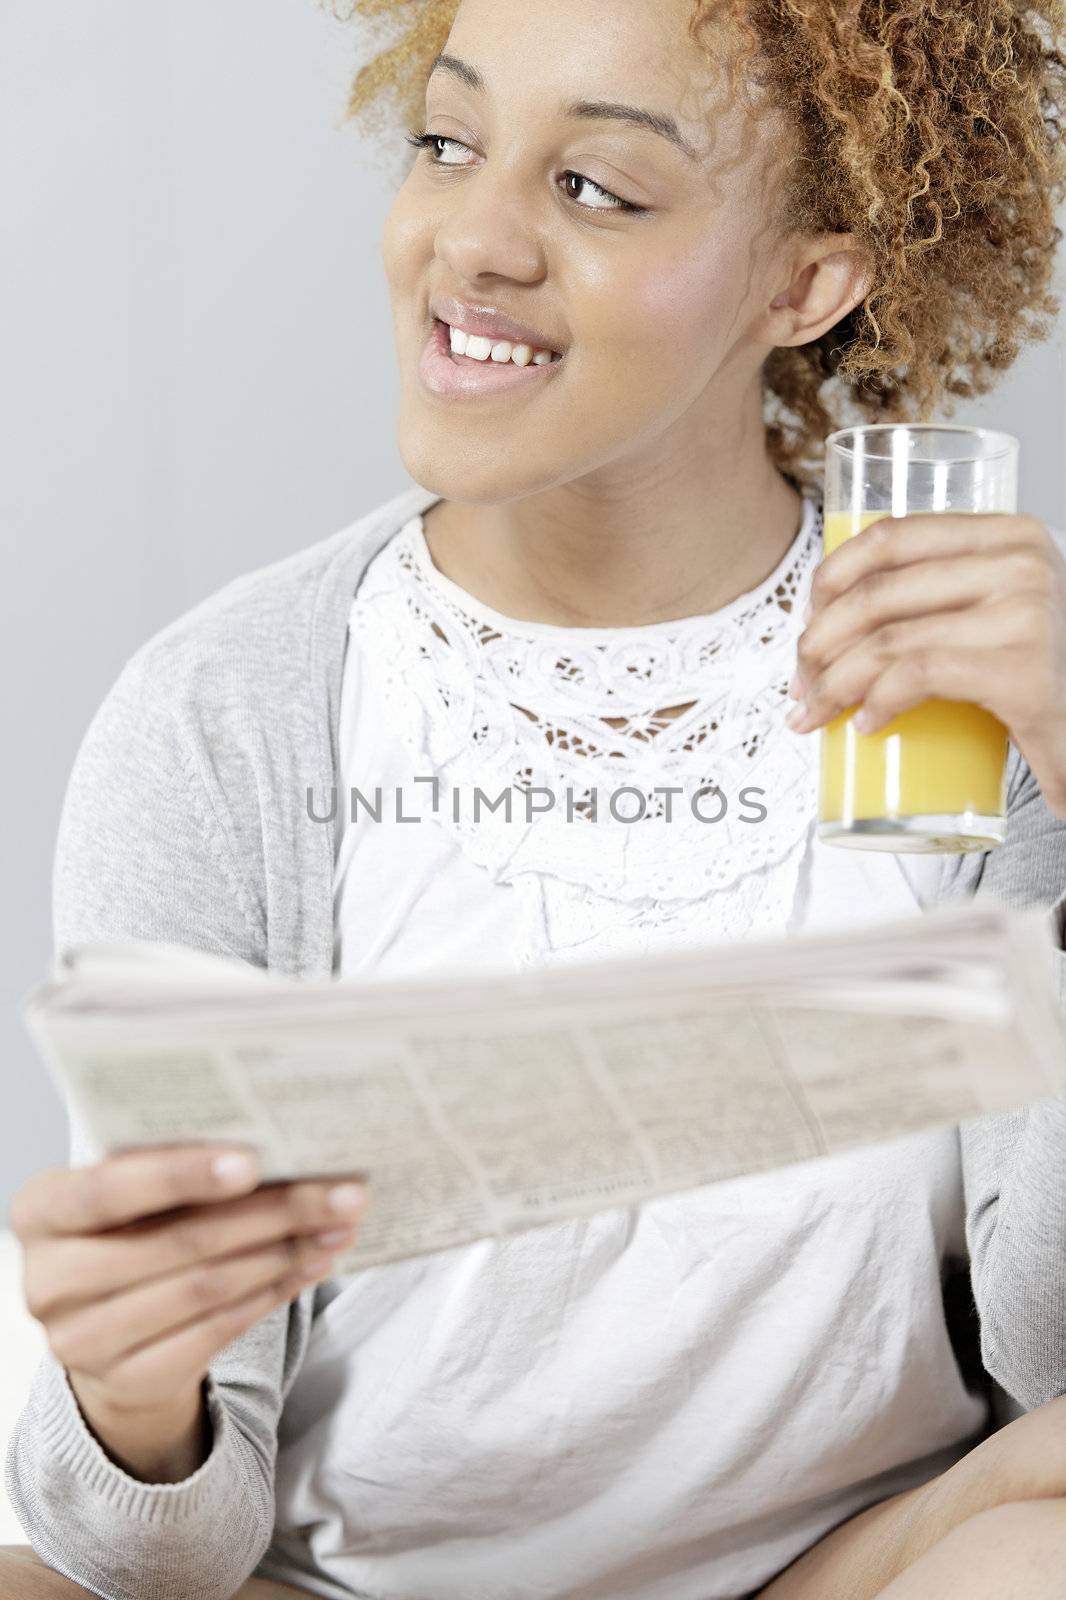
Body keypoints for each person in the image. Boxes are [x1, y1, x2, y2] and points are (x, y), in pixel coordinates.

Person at [5, 1, 1066, 1596]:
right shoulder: (229, 717)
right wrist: (131, 1398)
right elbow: (157, 1560)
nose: (471, 241)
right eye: (448, 143)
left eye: (594, 189)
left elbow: (1052, 1358)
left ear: (806, 282)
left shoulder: (958, 683)